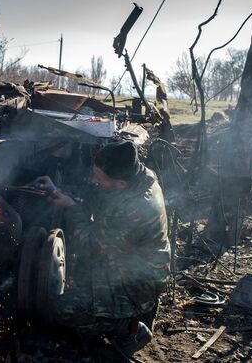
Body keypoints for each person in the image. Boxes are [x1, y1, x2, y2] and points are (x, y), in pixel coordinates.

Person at [32, 140, 170, 356]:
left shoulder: (136, 209)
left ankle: (129, 328)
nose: (93, 180)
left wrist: (71, 207)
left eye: (99, 178)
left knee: (63, 308)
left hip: (137, 284)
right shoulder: (137, 176)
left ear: (121, 183)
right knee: (77, 276)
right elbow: (102, 193)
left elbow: (89, 243)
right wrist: (60, 190)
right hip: (125, 259)